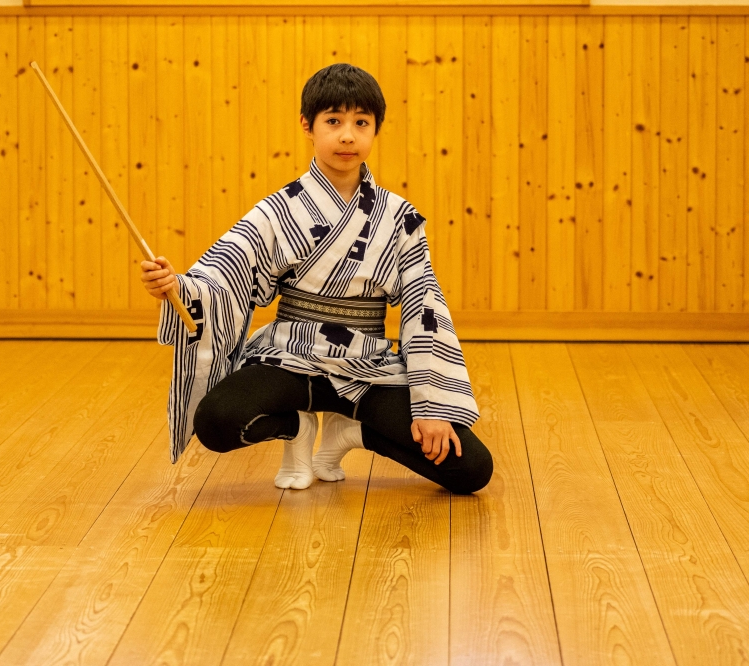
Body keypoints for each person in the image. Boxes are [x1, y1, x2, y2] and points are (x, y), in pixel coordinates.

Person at [140, 63, 492, 495]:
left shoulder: (399, 217)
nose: (347, 135)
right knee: (215, 421)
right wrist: (177, 287)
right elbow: (224, 274)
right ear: (308, 126)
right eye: (333, 121)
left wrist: (431, 402)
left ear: (375, 130)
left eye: (361, 123)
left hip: (367, 365)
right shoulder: (280, 210)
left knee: (471, 468)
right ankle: (297, 430)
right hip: (292, 356)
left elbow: (425, 307)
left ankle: (349, 434)